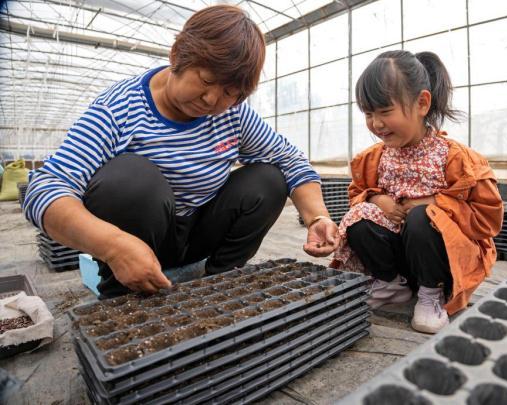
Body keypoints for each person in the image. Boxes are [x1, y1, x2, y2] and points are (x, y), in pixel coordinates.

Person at [23, 5, 339, 299]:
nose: (212, 100)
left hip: (199, 232)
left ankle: (219, 281)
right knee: (130, 178)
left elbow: (289, 157)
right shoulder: (118, 109)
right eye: (206, 80)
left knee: (268, 179)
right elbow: (46, 188)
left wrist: (317, 216)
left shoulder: (232, 114)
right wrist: (114, 246)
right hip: (140, 239)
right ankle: (124, 293)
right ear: (177, 55)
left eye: (230, 93)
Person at [331, 50, 503, 334]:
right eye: (369, 114)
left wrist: (435, 203)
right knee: (359, 216)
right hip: (399, 261)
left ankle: (430, 297)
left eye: (385, 111)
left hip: (440, 264)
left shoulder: (456, 158)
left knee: (422, 218)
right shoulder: (372, 158)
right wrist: (376, 199)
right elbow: (357, 193)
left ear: (422, 103)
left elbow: (488, 219)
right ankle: (390, 284)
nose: (377, 123)